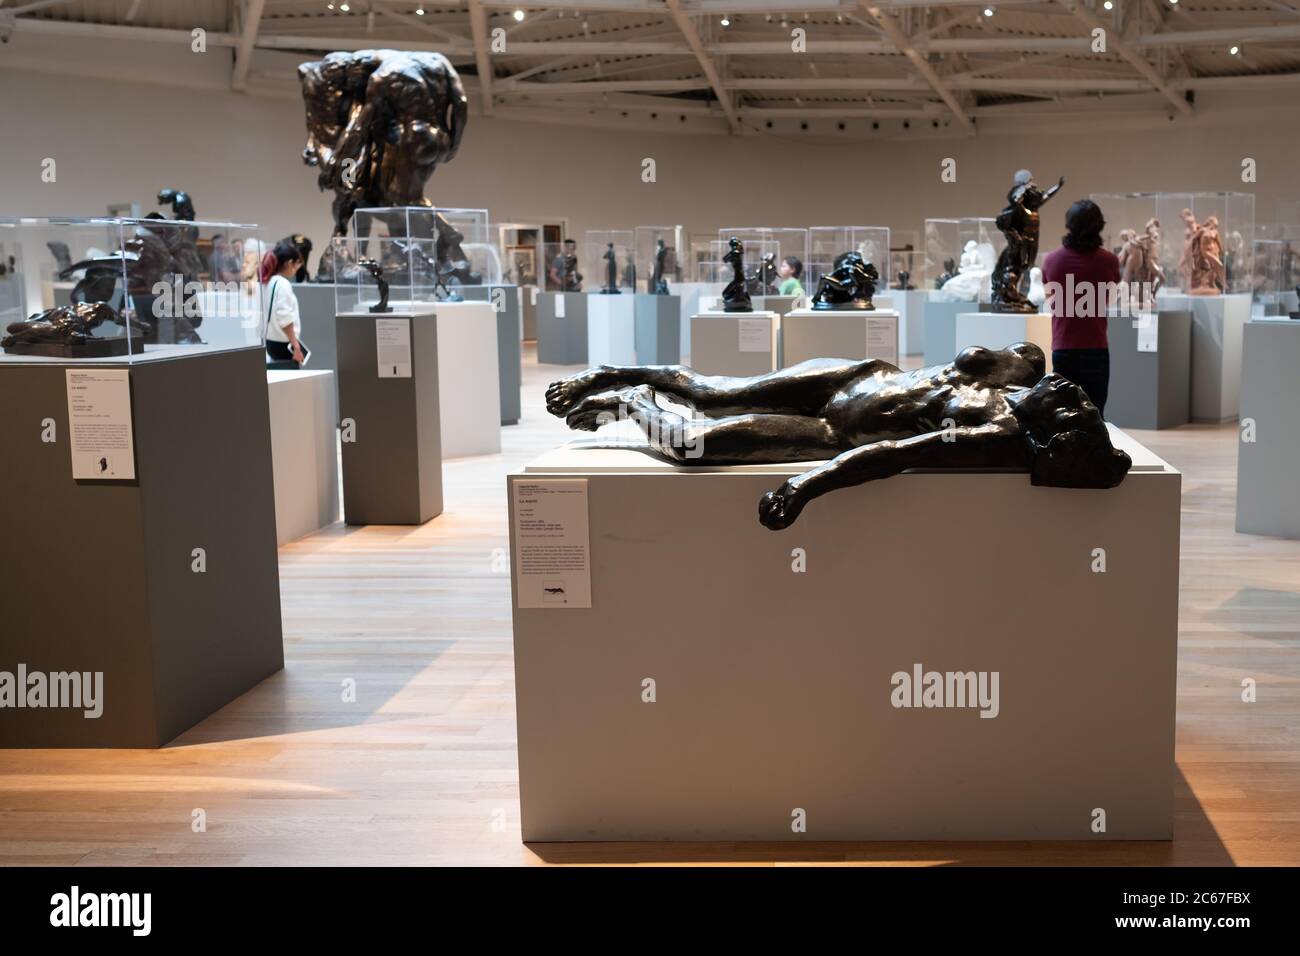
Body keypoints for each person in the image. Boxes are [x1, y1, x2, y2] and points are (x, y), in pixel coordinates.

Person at [545, 341, 1130, 530]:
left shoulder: (996, 433)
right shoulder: (1024, 366)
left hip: (831, 431)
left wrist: (806, 485)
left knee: (698, 444)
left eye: (1076, 406)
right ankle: (610, 372)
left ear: (1053, 429)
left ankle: (625, 403)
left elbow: (896, 454)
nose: (1075, 392)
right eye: (1080, 396)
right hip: (858, 375)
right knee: (712, 390)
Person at [1042, 199, 1121, 414]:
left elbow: (1050, 298)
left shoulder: (1051, 261)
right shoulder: (1109, 261)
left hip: (1063, 347)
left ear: (1069, 224)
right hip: (1095, 347)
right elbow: (1109, 298)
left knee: (1064, 413)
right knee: (1096, 413)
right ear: (1099, 226)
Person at [260, 239, 307, 368]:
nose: (297, 269)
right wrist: (296, 346)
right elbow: (284, 317)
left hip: (270, 340)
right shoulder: (282, 284)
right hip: (283, 344)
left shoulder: (268, 281)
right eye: (298, 264)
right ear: (290, 263)